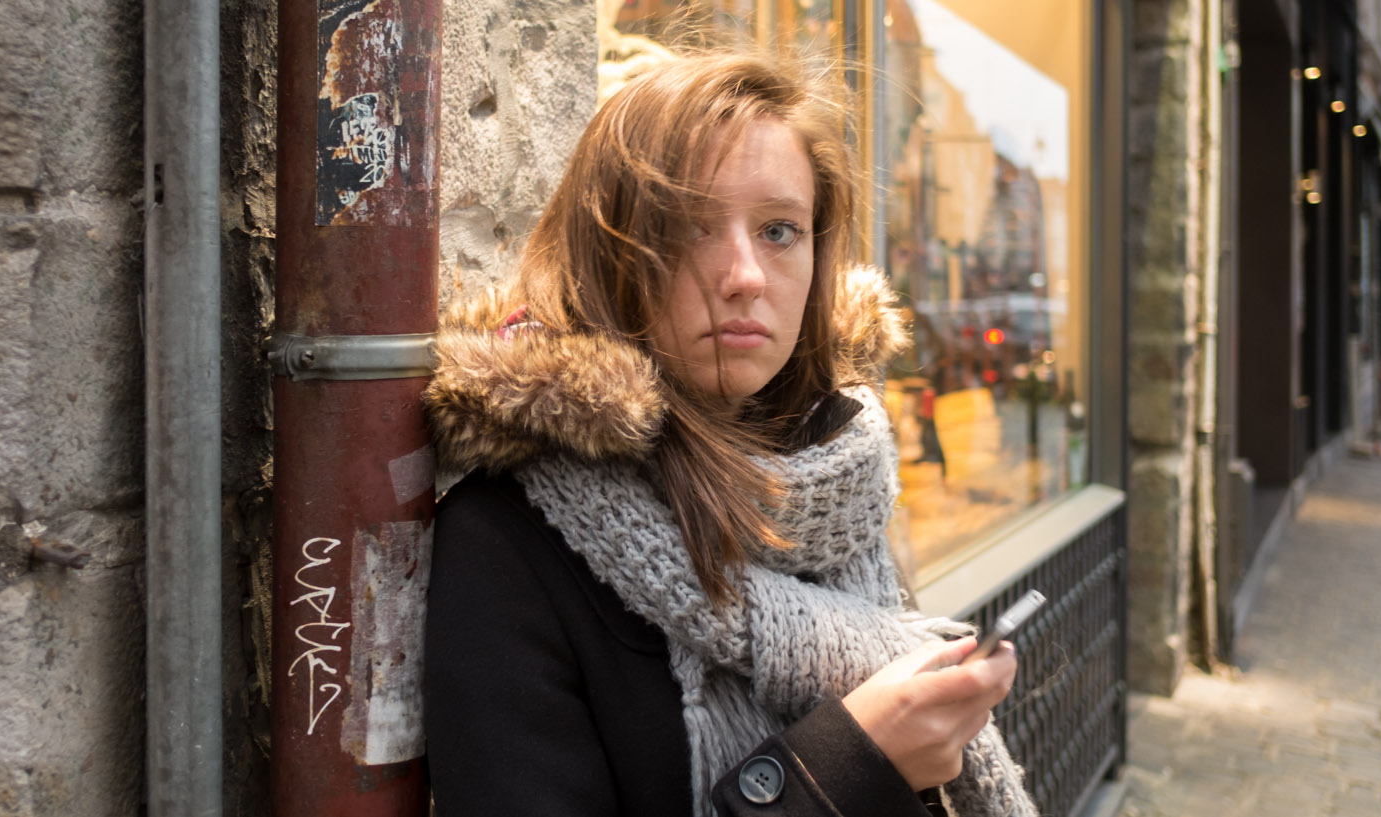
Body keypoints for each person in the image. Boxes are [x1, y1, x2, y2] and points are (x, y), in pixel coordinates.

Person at [423, 51, 1037, 817]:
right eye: (687, 227)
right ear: (608, 252)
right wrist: (847, 763)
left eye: (780, 229)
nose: (745, 272)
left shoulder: (834, 481)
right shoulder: (503, 541)